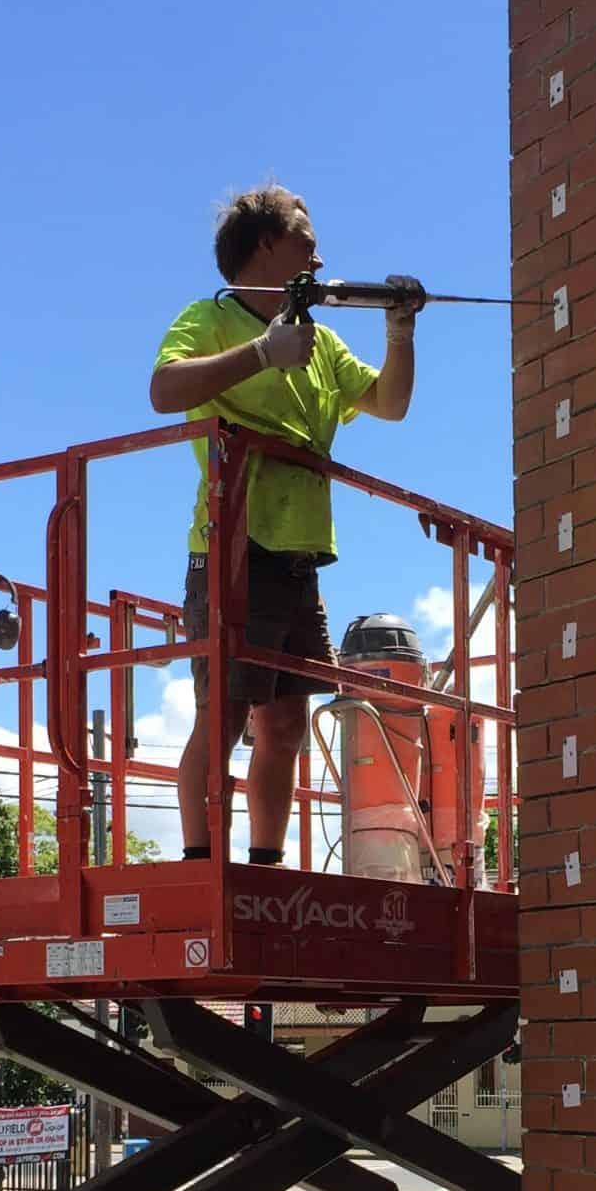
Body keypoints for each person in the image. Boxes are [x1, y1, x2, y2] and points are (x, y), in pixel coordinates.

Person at [149, 184, 419, 865]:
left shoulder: (321, 343)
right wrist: (263, 354)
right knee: (227, 716)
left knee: (287, 725)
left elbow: (390, 403)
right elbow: (164, 389)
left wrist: (400, 329)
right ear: (266, 243)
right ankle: (200, 865)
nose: (318, 253)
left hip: (298, 558)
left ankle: (264, 866)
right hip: (234, 550)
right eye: (305, 237)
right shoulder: (209, 320)